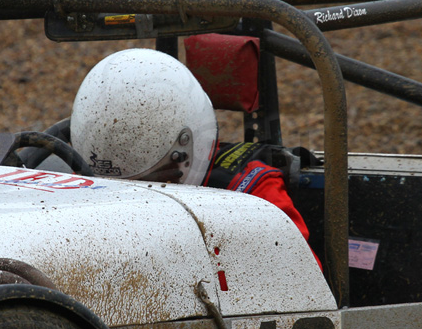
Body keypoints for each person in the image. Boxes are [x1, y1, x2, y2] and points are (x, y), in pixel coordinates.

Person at [70, 48, 322, 270]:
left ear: (185, 148)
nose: (137, 194)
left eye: (153, 178)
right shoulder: (70, 184)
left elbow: (305, 282)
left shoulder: (253, 197)